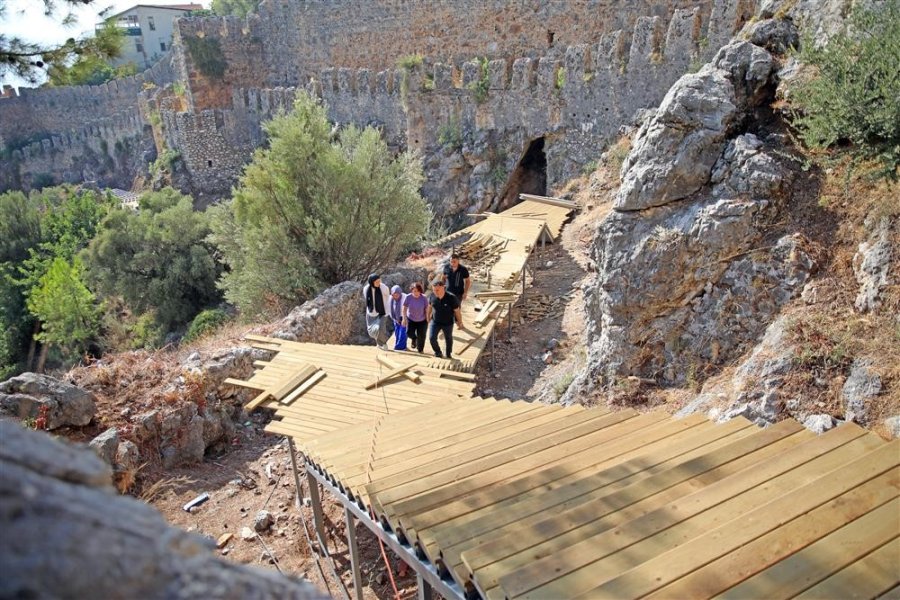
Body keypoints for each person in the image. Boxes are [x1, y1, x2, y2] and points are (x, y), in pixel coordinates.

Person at [427, 278, 463, 359]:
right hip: (435, 321)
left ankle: (448, 353)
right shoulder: (432, 296)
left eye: (437, 290)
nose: (435, 292)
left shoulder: (451, 298)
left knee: (448, 338)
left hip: (448, 322)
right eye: (434, 290)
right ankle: (438, 352)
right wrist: (428, 316)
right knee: (432, 338)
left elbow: (457, 311)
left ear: (443, 287)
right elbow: (429, 307)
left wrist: (460, 322)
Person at [362, 273, 392, 349]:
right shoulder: (366, 289)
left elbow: (388, 297)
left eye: (379, 281)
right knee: (372, 332)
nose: (379, 283)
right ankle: (379, 343)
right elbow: (368, 300)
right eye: (376, 282)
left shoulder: (384, 288)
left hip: (382, 311)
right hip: (371, 312)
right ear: (371, 282)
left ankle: (383, 343)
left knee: (380, 328)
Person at [402, 282, 428, 353]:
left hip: (422, 320)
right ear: (412, 291)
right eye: (414, 291)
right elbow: (404, 308)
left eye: (418, 291)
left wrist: (427, 318)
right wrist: (404, 319)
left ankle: (420, 349)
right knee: (408, 333)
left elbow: (426, 308)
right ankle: (414, 338)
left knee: (422, 336)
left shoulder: (424, 298)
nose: (416, 293)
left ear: (420, 291)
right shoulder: (408, 297)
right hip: (411, 319)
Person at [389, 285, 407, 351]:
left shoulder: (405, 297)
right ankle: (402, 345)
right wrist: (395, 319)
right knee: (397, 332)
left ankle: (400, 347)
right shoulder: (390, 299)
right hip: (395, 317)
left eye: (397, 295)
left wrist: (404, 318)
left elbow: (407, 308)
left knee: (402, 332)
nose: (395, 296)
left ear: (400, 293)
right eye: (394, 295)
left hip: (404, 316)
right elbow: (389, 309)